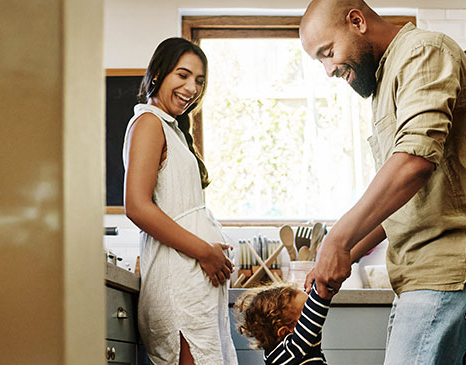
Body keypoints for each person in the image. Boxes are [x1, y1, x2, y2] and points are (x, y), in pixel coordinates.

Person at [298, 1, 466, 364]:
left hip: (448, 271)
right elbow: (401, 202)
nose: (328, 69)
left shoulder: (424, 52)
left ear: (357, 21)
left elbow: (413, 164)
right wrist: (343, 254)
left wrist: (337, 238)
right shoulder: (386, 82)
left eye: (328, 52)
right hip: (422, 276)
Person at [123, 37, 237, 365]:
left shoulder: (172, 130)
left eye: (199, 81)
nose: (192, 88)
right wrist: (205, 251)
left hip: (191, 287)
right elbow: (137, 206)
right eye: (183, 75)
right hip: (178, 288)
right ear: (158, 73)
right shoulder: (149, 123)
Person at [235, 284, 335, 364]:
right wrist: (325, 283)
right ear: (286, 331)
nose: (310, 314)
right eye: (305, 313)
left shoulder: (278, 353)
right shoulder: (290, 351)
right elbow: (315, 313)